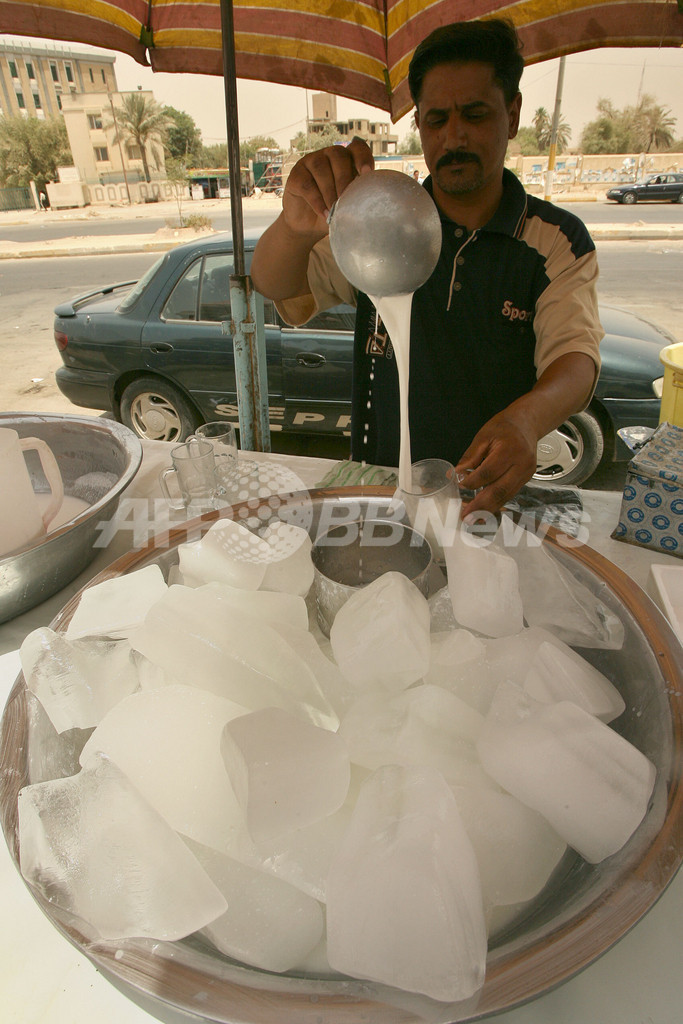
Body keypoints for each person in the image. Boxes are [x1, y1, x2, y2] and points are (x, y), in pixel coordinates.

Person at [251, 19, 602, 515]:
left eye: (475, 115)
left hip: (485, 495)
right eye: (436, 120)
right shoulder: (382, 221)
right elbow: (277, 285)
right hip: (382, 487)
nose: (454, 137)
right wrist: (294, 226)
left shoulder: (553, 241)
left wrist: (527, 420)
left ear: (513, 113)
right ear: (418, 122)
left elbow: (576, 360)